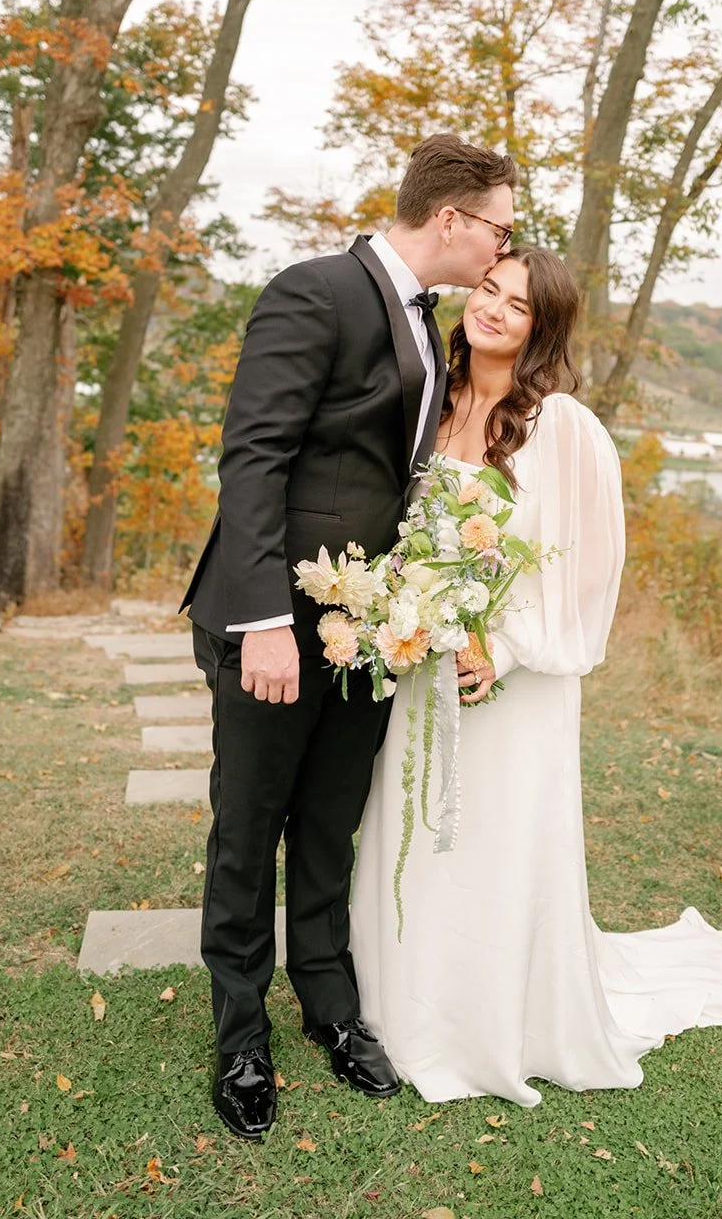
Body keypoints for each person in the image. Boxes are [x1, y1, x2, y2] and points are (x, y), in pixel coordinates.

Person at [349, 246, 722, 1105]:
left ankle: (496, 1020)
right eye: (487, 289)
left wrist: (503, 644)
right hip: (424, 671)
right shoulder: (433, 404)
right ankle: (402, 1006)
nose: (492, 308)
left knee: (495, 841)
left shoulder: (563, 427)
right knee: (416, 833)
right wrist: (405, 613)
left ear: (544, 328)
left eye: (518, 304)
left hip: (512, 685)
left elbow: (588, 571)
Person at [181, 134, 517, 1138]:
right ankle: (241, 1035)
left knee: (329, 826)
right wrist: (266, 625)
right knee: (250, 830)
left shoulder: (428, 325)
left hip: (373, 633)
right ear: (451, 219)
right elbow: (255, 460)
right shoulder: (314, 290)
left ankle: (330, 1006)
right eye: (501, 225)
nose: (505, 244)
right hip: (278, 626)